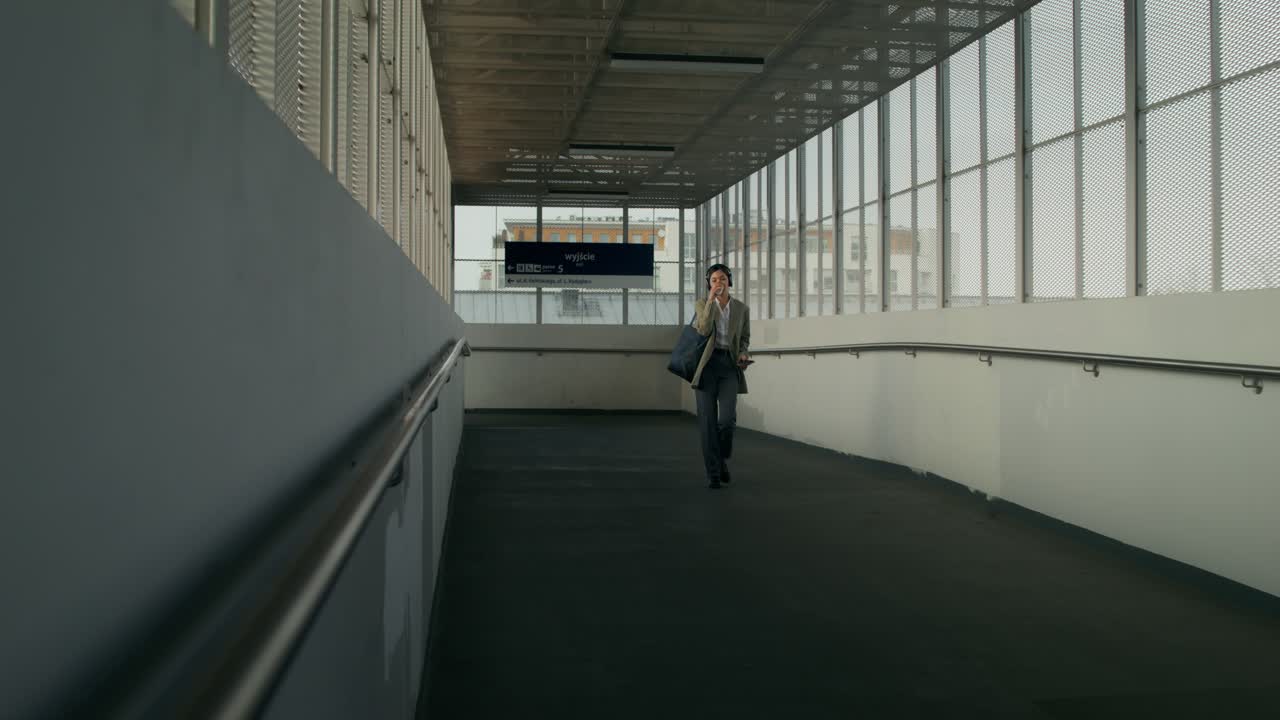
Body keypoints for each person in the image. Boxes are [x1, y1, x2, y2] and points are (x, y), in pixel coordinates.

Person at [689, 263, 751, 489]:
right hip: (707, 366)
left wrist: (743, 353)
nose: (718, 283)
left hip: (729, 367)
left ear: (729, 281)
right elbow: (704, 329)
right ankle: (713, 473)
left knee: (726, 421)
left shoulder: (741, 309)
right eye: (714, 280)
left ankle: (722, 459)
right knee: (707, 423)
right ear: (709, 283)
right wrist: (710, 302)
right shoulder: (702, 304)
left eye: (722, 279)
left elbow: (744, 338)